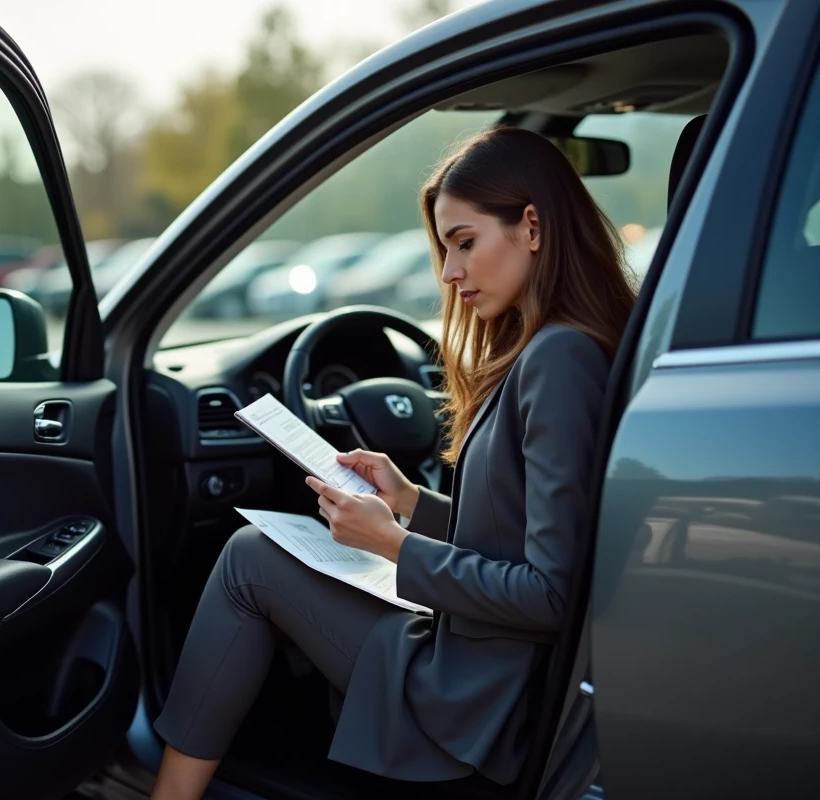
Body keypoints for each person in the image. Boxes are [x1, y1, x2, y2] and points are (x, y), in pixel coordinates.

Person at [150, 126, 637, 800]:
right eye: (444, 250)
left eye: (464, 242)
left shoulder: (557, 359)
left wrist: (394, 544)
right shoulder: (573, 347)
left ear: (531, 227)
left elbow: (553, 595)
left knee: (247, 561)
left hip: (481, 701)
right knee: (263, 560)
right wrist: (408, 501)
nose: (450, 273)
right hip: (493, 674)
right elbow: (521, 536)